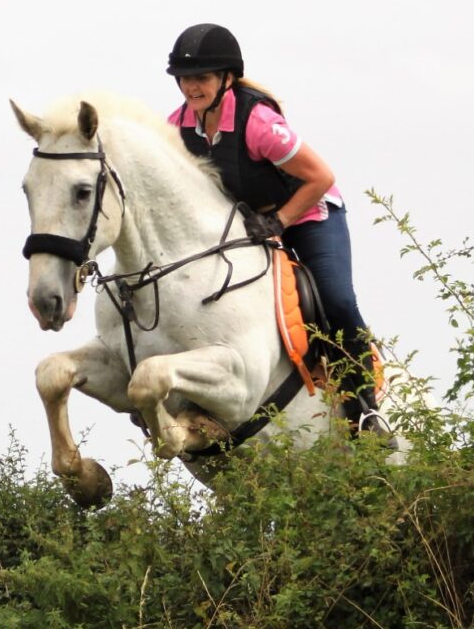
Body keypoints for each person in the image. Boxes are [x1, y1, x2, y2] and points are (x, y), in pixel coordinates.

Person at [164, 23, 387, 432]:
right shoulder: (177, 126)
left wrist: (280, 220)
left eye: (202, 77)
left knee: (335, 299)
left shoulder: (257, 122)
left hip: (307, 214)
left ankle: (365, 406)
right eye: (185, 78)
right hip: (250, 224)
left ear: (226, 78)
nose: (191, 87)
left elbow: (319, 177)